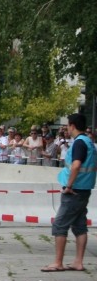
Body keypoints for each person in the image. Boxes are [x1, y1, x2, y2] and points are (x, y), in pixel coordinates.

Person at [42, 113, 95, 272]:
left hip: (74, 190)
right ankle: (78, 262)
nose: (67, 129)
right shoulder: (89, 142)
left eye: (67, 126)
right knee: (79, 225)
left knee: (60, 225)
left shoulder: (79, 143)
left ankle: (58, 262)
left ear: (72, 125)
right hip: (84, 188)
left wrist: (69, 186)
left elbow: (76, 165)